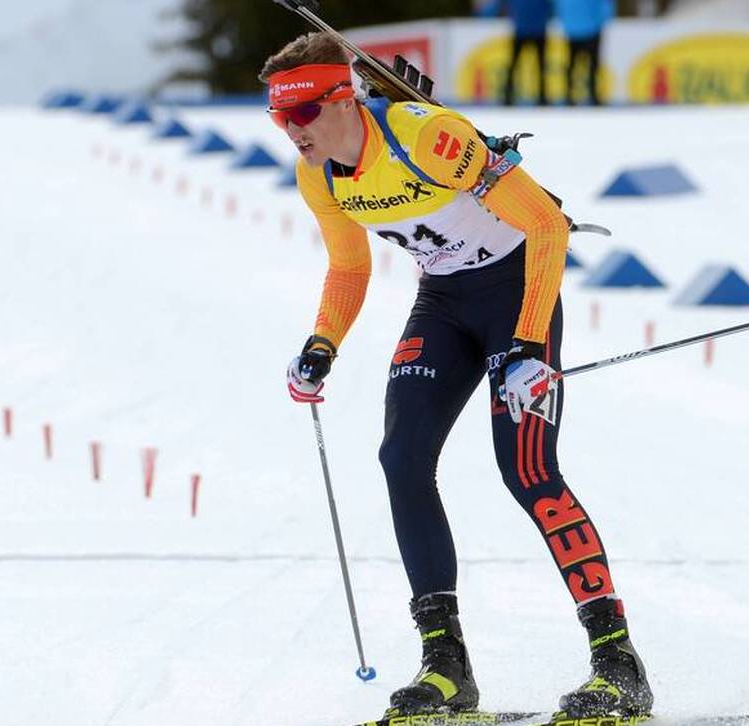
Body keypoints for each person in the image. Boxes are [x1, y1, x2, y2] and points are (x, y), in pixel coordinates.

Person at [260, 33, 653, 720]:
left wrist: (530, 345)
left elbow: (549, 228)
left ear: (343, 98)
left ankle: (618, 664)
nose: (292, 133)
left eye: (302, 115)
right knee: (402, 459)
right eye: (278, 119)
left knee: (526, 470)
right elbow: (351, 267)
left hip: (515, 293)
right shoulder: (317, 172)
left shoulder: (431, 139)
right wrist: (321, 343)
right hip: (443, 301)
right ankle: (446, 668)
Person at [553, 0, 613, 105]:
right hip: (591, 30)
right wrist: (601, 22)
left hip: (573, 29)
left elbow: (559, 7)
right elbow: (605, 7)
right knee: (592, 66)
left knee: (573, 64)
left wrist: (566, 23)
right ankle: (593, 95)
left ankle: (569, 95)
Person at [502, 0, 552, 106]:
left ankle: (541, 96)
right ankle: (541, 96)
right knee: (535, 65)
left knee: (537, 65)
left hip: (527, 29)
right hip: (530, 29)